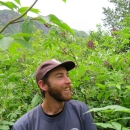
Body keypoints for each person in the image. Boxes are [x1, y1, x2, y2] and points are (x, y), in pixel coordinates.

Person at [12, 59, 97, 130]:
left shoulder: (80, 110)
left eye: (67, 75)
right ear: (43, 85)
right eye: (60, 76)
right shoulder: (24, 126)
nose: (68, 81)